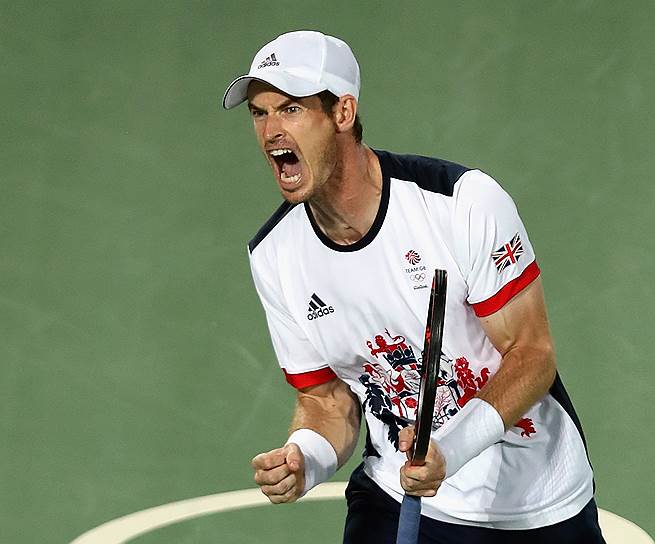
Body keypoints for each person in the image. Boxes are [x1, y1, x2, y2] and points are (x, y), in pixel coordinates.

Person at [222, 30, 605, 543]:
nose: (271, 131)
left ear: (343, 113)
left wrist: (451, 450)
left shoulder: (460, 204)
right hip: (396, 495)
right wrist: (304, 459)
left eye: (291, 110)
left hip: (535, 502)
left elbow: (532, 354)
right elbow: (327, 401)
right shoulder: (275, 255)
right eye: (259, 113)